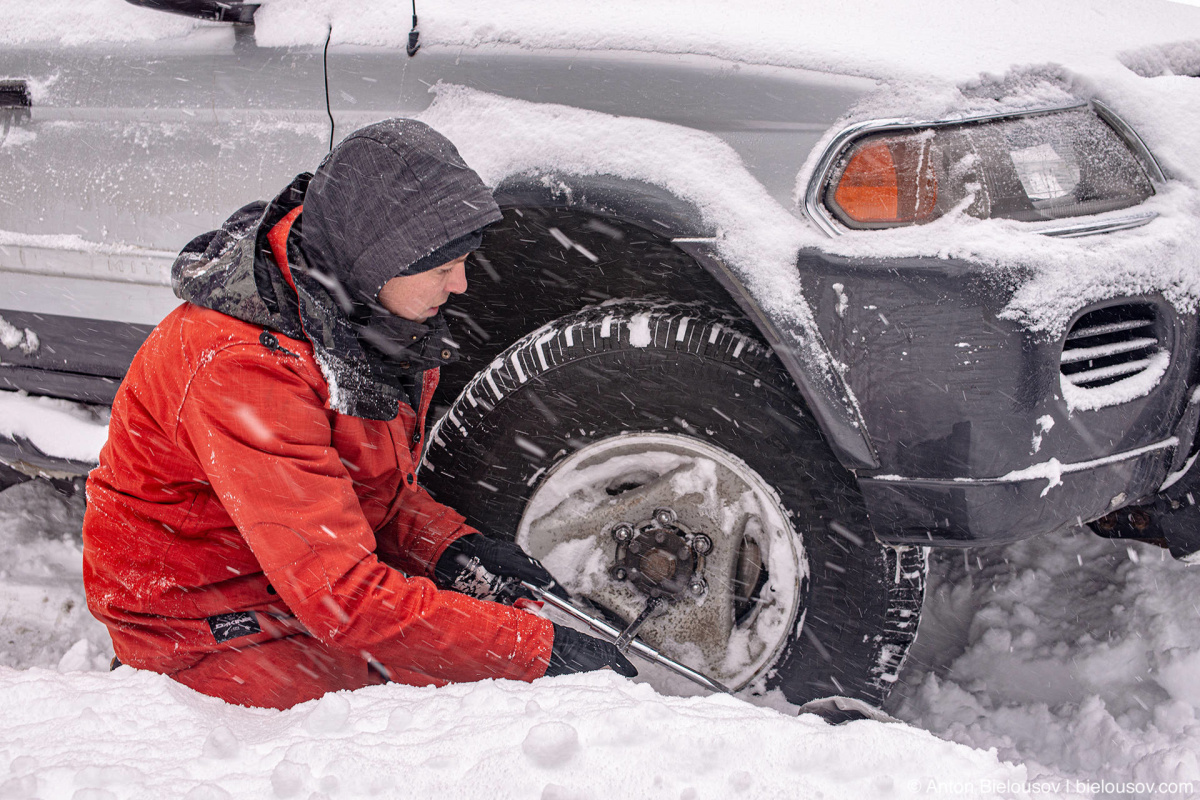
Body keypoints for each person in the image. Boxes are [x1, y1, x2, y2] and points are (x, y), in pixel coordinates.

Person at [81, 119, 636, 709]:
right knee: (395, 731)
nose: (463, 284)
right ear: (379, 258)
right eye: (444, 268)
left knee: (453, 679)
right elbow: (344, 599)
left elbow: (362, 497)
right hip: (203, 617)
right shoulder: (244, 368)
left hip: (295, 576)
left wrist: (453, 549)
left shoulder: (366, 320)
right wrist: (536, 652)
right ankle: (161, 690)